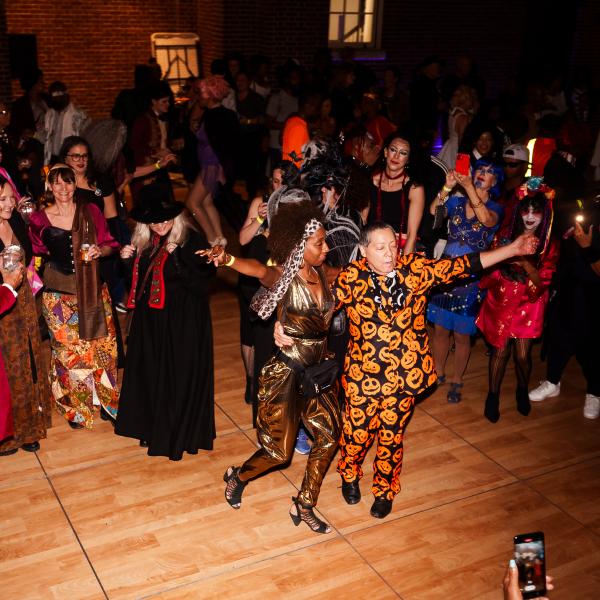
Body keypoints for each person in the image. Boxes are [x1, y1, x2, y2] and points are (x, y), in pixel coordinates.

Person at [276, 221, 538, 519]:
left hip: (404, 376)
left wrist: (513, 249)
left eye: (392, 246)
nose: (389, 254)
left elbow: (465, 264)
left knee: (391, 435)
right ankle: (349, 474)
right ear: (363, 250)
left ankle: (384, 489)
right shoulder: (352, 277)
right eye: (380, 248)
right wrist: (284, 327)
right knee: (356, 434)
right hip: (363, 377)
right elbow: (318, 310)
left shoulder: (415, 269)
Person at [201, 198, 341, 534]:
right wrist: (228, 258)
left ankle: (304, 503)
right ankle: (240, 475)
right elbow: (259, 270)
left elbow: (354, 275)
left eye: (324, 242)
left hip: (318, 370)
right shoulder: (284, 275)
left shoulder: (325, 272)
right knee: (279, 452)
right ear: (299, 245)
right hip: (288, 373)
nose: (325, 248)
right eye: (318, 243)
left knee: (330, 436)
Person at [115, 183, 216, 459]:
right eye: (153, 221)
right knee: (153, 374)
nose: (160, 225)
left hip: (183, 323)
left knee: (176, 377)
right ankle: (152, 427)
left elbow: (202, 285)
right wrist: (127, 262)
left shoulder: (192, 240)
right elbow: (139, 285)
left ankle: (174, 434)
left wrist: (177, 259)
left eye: (164, 219)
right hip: (153, 321)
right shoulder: (145, 240)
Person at [29, 164, 119, 429]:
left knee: (103, 347)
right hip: (58, 293)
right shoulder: (38, 220)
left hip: (93, 288)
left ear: (74, 185)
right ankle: (76, 409)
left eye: (68, 182)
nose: (63, 188)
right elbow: (35, 254)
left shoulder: (90, 211)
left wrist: (98, 252)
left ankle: (107, 402)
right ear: (49, 186)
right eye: (57, 183)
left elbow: (109, 245)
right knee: (69, 352)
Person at [476, 183, 558, 422]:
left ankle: (522, 388)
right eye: (526, 210)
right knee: (500, 352)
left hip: (530, 302)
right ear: (518, 211)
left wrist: (523, 261)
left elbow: (544, 281)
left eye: (536, 211)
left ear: (544, 215)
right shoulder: (504, 235)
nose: (530, 216)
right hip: (504, 297)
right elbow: (490, 265)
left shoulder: (549, 244)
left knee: (522, 356)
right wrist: (505, 261)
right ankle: (493, 396)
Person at [427, 161, 504, 403]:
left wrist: (469, 187)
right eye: (480, 169)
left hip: (470, 278)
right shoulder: (456, 202)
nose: (483, 174)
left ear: (495, 182)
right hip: (446, 275)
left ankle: (457, 379)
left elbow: (486, 220)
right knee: (440, 330)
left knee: (461, 335)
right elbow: (433, 211)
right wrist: (447, 187)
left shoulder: (496, 208)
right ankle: (438, 373)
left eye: (490, 172)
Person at [528, 202, 600, 419]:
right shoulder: (592, 208)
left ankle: (595, 393)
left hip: (595, 298)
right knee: (559, 337)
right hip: (569, 289)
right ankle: (552, 381)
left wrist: (587, 247)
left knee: (592, 346)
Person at [0, 174, 51, 455]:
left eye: (10, 198)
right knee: (7, 369)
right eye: (2, 200)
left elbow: (31, 255)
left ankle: (30, 427)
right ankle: (8, 435)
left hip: (24, 300)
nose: (10, 203)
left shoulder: (16, 221)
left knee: (29, 360)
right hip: (1, 308)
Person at [185, 75, 239, 247]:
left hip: (212, 165)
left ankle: (211, 240)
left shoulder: (217, 116)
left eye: (200, 93)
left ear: (209, 94)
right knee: (207, 202)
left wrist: (222, 168)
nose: (198, 96)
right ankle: (220, 238)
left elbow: (225, 145)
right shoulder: (212, 114)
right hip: (209, 163)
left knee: (192, 203)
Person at [367, 136, 425, 254]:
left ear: (408, 159)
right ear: (385, 152)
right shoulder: (371, 181)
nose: (396, 156)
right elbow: (362, 222)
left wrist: (403, 265)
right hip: (372, 246)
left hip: (402, 249)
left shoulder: (415, 188)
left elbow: (411, 234)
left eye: (403, 153)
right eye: (393, 150)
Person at [128, 81, 178, 205]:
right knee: (148, 203)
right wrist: (156, 152)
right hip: (146, 171)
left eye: (168, 101)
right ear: (153, 102)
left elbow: (164, 142)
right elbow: (134, 145)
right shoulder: (143, 120)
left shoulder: (166, 118)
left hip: (161, 168)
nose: (168, 104)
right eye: (164, 102)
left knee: (167, 202)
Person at [40, 81, 90, 165]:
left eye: (58, 96)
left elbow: (86, 140)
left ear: (66, 96)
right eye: (53, 97)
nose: (56, 99)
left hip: (71, 160)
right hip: (52, 159)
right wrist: (34, 134)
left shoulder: (78, 115)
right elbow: (46, 137)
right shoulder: (49, 114)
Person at [437, 85, 478, 168]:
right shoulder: (462, 117)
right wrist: (463, 165)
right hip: (456, 150)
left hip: (450, 147)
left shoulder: (454, 113)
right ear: (466, 100)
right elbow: (462, 142)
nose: (473, 101)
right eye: (471, 99)